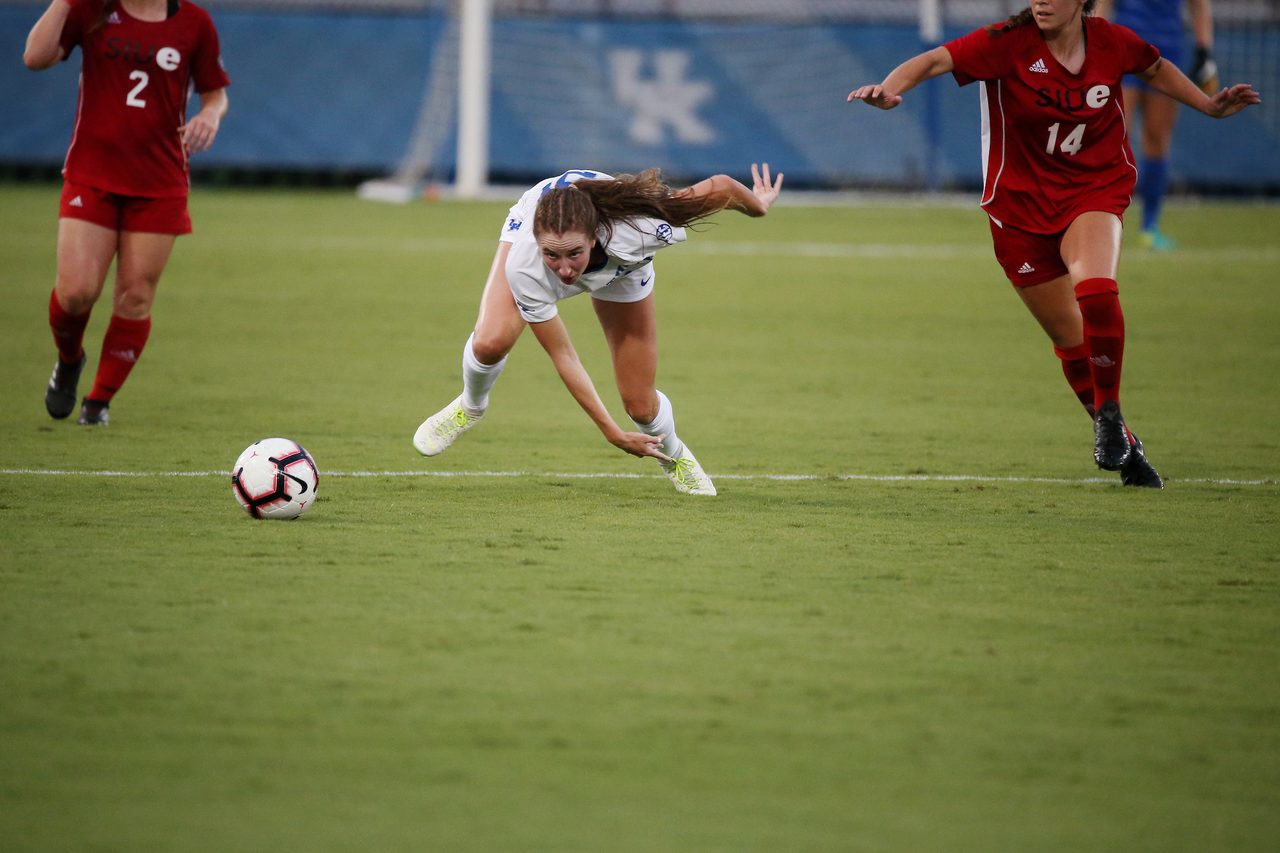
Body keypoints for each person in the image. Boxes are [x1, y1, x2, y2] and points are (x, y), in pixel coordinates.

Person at [848, 0, 1258, 487]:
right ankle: (1125, 446)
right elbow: (934, 60)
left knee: (1097, 288)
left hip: (1092, 190)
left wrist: (1208, 105)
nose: (1040, 1)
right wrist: (888, 89)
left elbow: (1154, 67)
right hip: (1018, 210)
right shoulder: (1005, 43)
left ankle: (1108, 414)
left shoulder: (1113, 41)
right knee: (1071, 341)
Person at [413, 165, 784, 496]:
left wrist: (759, 206)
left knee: (640, 404)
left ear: (593, 237)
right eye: (551, 254)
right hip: (541, 229)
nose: (563, 270)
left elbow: (721, 187)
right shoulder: (525, 264)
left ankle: (674, 455)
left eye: (573, 253)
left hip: (625, 269)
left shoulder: (642, 224)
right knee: (490, 342)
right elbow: (564, 354)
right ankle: (470, 407)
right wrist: (611, 432)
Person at [24, 0, 229, 426]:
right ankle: (68, 360)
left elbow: (215, 94)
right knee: (77, 291)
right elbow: (35, 58)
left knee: (135, 295)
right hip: (92, 174)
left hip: (159, 181)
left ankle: (98, 402)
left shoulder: (194, 22)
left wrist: (210, 114)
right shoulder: (89, 8)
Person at [1096, 0, 1217, 250]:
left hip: (1166, 50)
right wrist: (1098, 43)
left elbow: (1199, 5)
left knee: (1157, 138)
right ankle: (1102, 220)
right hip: (1124, 47)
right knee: (1114, 137)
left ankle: (1150, 227)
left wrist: (1204, 51)